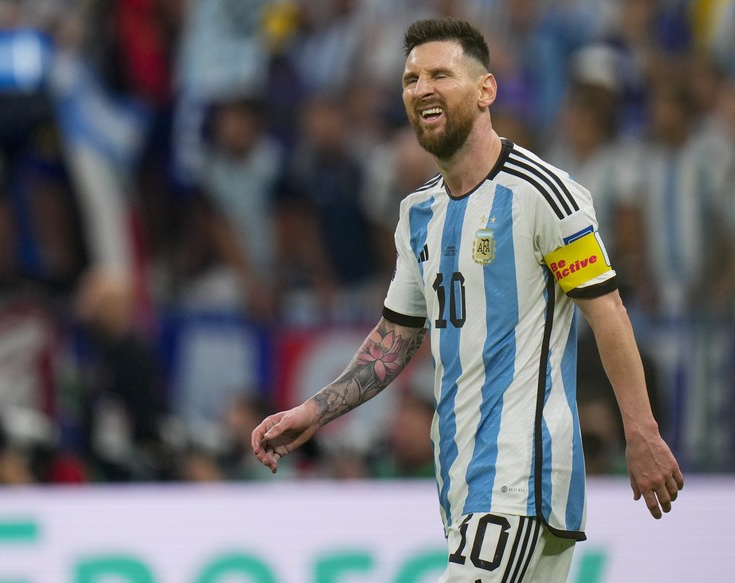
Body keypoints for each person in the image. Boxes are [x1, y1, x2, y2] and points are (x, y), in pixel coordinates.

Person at [252, 17, 683, 582]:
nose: (422, 89)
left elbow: (608, 313)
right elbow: (396, 337)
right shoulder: (418, 214)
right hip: (460, 479)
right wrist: (313, 411)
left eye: (440, 75)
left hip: (520, 474)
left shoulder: (543, 194)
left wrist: (642, 433)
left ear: (486, 91)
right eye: (410, 80)